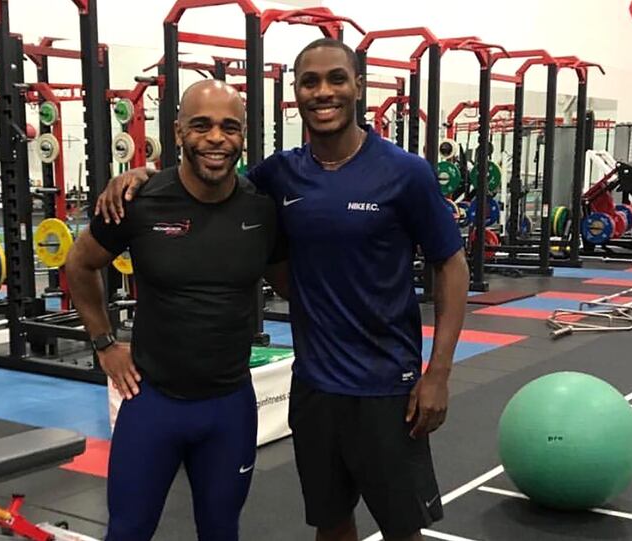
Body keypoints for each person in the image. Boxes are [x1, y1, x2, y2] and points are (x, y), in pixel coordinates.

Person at [96, 39, 469, 541]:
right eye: (310, 82)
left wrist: (438, 371)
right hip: (314, 384)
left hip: (388, 384)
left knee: (402, 529)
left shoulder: (405, 173)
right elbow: (210, 178)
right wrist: (140, 177)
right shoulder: (279, 175)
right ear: (295, 93)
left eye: (337, 78)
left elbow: (451, 264)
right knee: (330, 522)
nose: (324, 92)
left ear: (358, 85)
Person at [66, 79, 286, 541]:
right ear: (179, 131)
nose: (215, 139)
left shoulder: (262, 210)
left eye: (229, 127)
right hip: (153, 403)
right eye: (201, 125)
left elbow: (297, 287)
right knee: (127, 532)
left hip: (229, 406)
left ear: (243, 136)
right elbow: (80, 264)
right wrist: (104, 343)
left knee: (221, 531)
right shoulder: (138, 199)